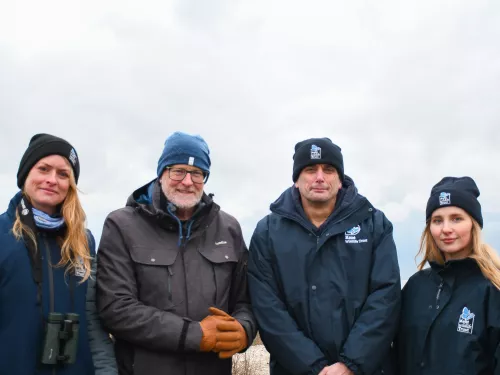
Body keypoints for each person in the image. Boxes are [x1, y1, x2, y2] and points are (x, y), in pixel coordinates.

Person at [96, 131, 256, 375]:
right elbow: (116, 307)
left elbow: (246, 300)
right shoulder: (121, 225)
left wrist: (244, 330)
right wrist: (195, 335)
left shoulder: (229, 228)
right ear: (161, 173)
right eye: (178, 171)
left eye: (197, 173)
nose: (188, 181)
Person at [248, 137, 401, 375]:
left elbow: (385, 296)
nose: (320, 177)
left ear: (340, 180)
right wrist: (314, 367)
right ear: (296, 180)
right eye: (310, 170)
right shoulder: (267, 232)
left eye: (328, 170)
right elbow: (268, 308)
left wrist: (351, 364)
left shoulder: (374, 224)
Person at [0, 133, 117, 375]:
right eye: (43, 169)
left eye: (63, 174)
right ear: (26, 175)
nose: (52, 180)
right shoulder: (2, 234)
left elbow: (92, 322)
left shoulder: (84, 242)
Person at [396, 176, 500, 374]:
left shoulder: (492, 289)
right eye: (437, 221)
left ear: (473, 224)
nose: (446, 229)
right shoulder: (415, 286)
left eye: (456, 219)